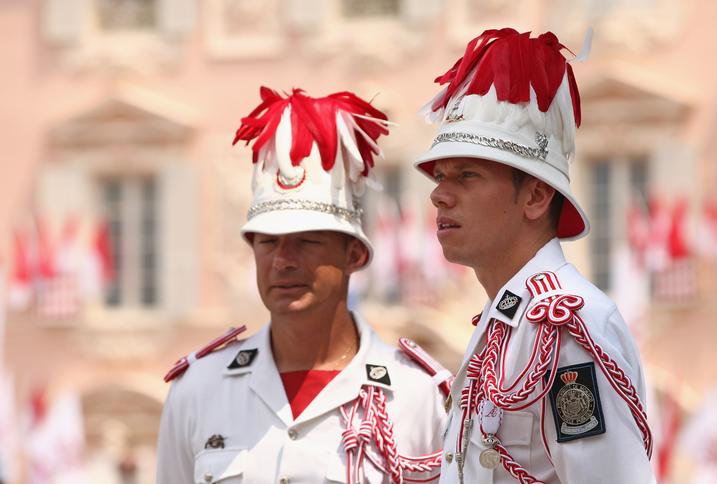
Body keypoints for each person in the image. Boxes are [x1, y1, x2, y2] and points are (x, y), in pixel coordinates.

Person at [156, 87, 450, 483]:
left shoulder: (417, 395)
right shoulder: (197, 390)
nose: (283, 261)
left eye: (307, 241)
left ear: (355, 255)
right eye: (267, 242)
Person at [413, 28, 656, 483]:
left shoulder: (568, 324)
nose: (440, 196)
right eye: (440, 176)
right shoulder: (506, 318)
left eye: (466, 175)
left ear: (536, 196)